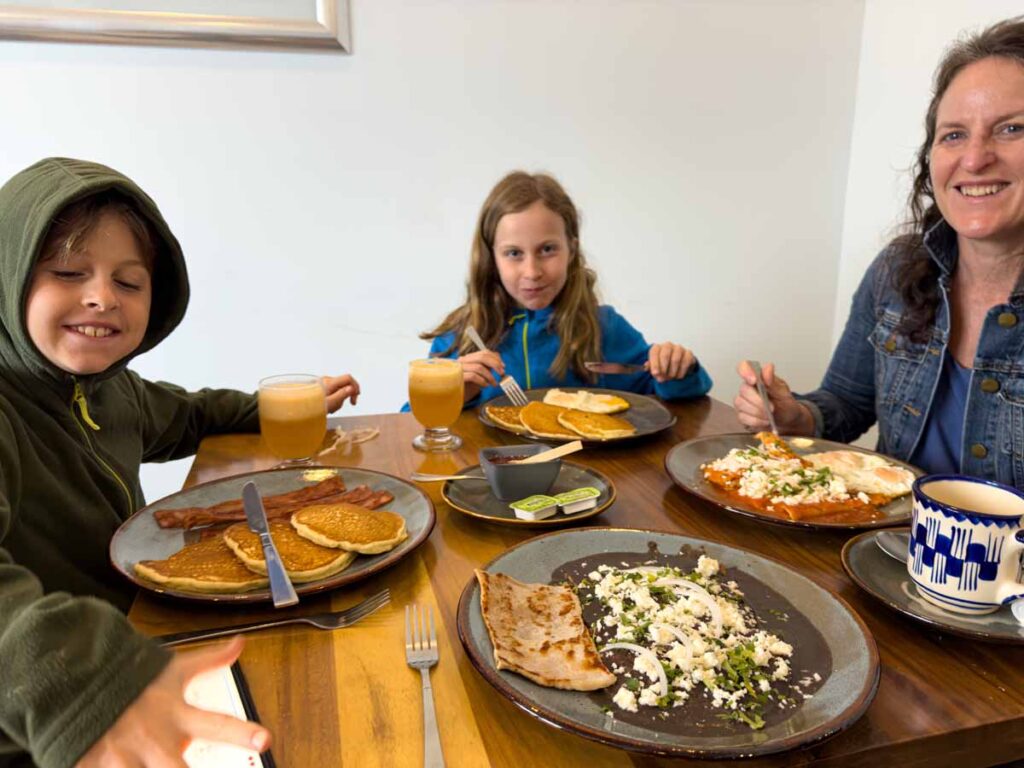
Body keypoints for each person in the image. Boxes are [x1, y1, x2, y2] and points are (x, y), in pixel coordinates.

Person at [0, 157, 360, 767]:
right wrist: (84, 686)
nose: (101, 297)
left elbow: (192, 415)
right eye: (67, 271)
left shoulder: (113, 390)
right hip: (61, 721)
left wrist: (278, 405)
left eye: (129, 282)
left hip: (145, 642)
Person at [734, 16, 1024, 486]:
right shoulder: (898, 269)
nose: (973, 159)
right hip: (883, 549)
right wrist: (795, 417)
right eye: (953, 134)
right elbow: (847, 405)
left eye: (1010, 129)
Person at [413, 171, 712, 408]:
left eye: (547, 249)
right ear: (491, 258)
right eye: (514, 253)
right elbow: (410, 425)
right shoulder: (460, 335)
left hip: (590, 480)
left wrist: (677, 369)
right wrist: (452, 396)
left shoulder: (604, 327)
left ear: (572, 248)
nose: (532, 271)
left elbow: (670, 398)